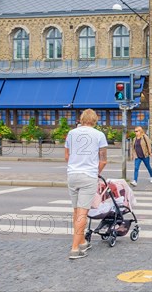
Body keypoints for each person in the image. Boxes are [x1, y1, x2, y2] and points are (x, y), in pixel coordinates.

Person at [65, 109, 107, 260]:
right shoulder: (99, 135)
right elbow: (103, 160)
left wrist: (75, 166)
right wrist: (95, 173)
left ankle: (82, 241)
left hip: (72, 175)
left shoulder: (71, 133)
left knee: (76, 211)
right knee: (83, 213)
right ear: (95, 120)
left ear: (82, 119)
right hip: (88, 175)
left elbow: (67, 155)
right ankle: (75, 249)